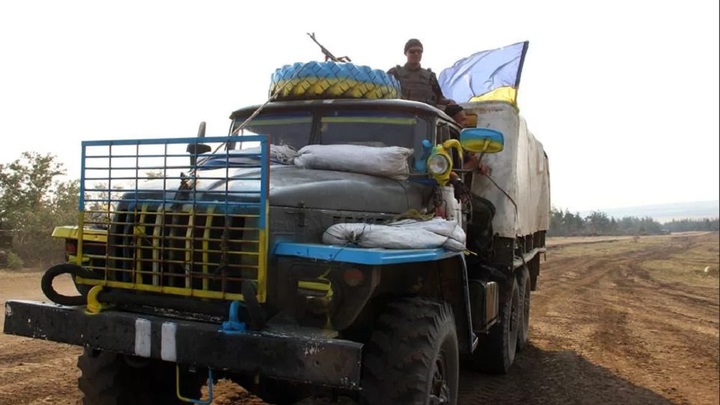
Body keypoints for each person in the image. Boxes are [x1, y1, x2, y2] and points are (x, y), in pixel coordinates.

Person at [388, 39, 455, 107]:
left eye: (419, 51)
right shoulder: (395, 73)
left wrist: (448, 101)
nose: (416, 54)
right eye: (412, 51)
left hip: (424, 114)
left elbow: (439, 98)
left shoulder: (430, 76)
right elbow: (385, 94)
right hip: (401, 114)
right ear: (406, 53)